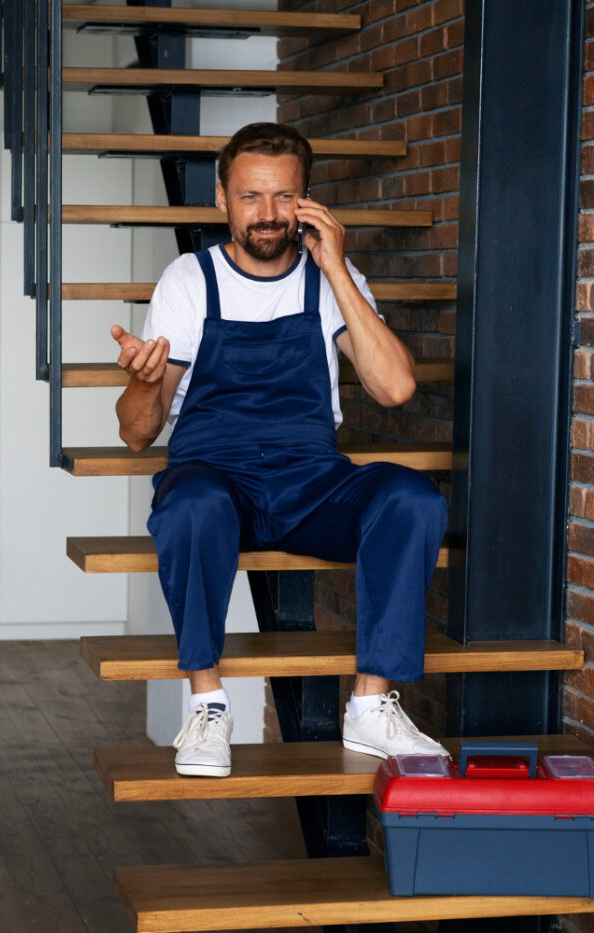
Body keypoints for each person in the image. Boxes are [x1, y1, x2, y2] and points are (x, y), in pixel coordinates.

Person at [110, 122, 450, 777]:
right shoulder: (189, 280)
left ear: (307, 201)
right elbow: (135, 432)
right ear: (221, 199)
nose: (266, 214)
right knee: (191, 508)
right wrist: (145, 381)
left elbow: (396, 387)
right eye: (249, 196)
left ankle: (371, 707)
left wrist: (336, 269)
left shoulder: (331, 277)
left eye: (283, 197)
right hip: (215, 475)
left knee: (410, 497)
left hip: (310, 482)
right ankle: (208, 706)